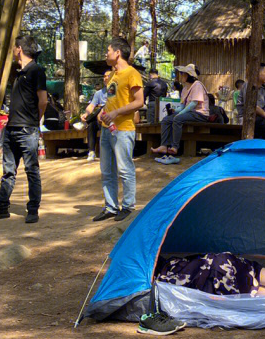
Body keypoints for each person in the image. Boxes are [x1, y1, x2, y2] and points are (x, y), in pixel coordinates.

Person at [0, 35, 47, 224]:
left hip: (27, 130)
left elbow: (42, 100)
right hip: (11, 129)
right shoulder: (19, 72)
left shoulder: (36, 70)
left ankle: (33, 209)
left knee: (31, 170)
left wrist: (34, 121)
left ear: (19, 48)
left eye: (13, 48)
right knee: (8, 171)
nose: (12, 50)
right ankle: (1, 207)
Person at [94, 38, 145, 222]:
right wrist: (102, 112)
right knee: (107, 171)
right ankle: (111, 207)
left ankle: (129, 205)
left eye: (108, 50)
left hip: (123, 129)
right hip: (107, 129)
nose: (106, 54)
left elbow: (139, 101)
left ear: (117, 53)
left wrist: (115, 113)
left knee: (124, 169)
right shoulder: (113, 76)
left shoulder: (132, 74)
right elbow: (111, 100)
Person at [152, 64, 209, 165]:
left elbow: (194, 103)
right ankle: (164, 145)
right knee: (166, 119)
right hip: (190, 112)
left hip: (200, 113)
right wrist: (175, 111)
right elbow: (182, 106)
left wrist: (180, 114)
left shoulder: (197, 84)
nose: (181, 76)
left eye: (183, 74)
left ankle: (174, 147)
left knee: (177, 119)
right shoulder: (184, 88)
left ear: (189, 75)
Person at [80, 71, 111, 161]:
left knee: (101, 110)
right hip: (99, 116)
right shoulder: (99, 93)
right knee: (92, 125)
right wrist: (86, 114)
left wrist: (102, 110)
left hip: (111, 114)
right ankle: (91, 151)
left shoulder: (116, 90)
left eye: (108, 76)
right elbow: (92, 106)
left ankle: (86, 122)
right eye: (104, 76)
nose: (105, 78)